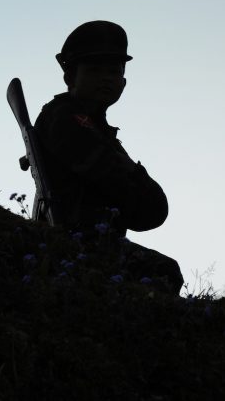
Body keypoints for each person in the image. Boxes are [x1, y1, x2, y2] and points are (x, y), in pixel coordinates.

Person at [34, 20, 183, 292]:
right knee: (163, 273)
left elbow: (148, 212)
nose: (106, 78)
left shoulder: (96, 129)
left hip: (90, 242)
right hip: (74, 243)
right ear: (70, 78)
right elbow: (127, 192)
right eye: (94, 70)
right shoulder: (65, 119)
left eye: (114, 71)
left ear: (124, 83)